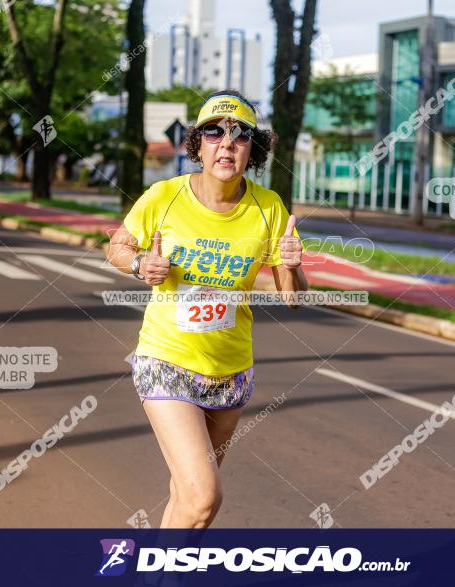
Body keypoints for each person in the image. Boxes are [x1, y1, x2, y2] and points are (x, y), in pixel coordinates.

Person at [107, 89, 308, 528]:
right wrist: (141, 262)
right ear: (198, 144)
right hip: (167, 361)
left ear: (252, 149)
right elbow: (117, 246)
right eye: (214, 132)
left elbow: (291, 296)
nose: (226, 143)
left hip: (231, 374)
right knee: (203, 497)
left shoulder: (269, 208)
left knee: (187, 496)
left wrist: (292, 265)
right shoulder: (164, 197)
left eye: (239, 135)